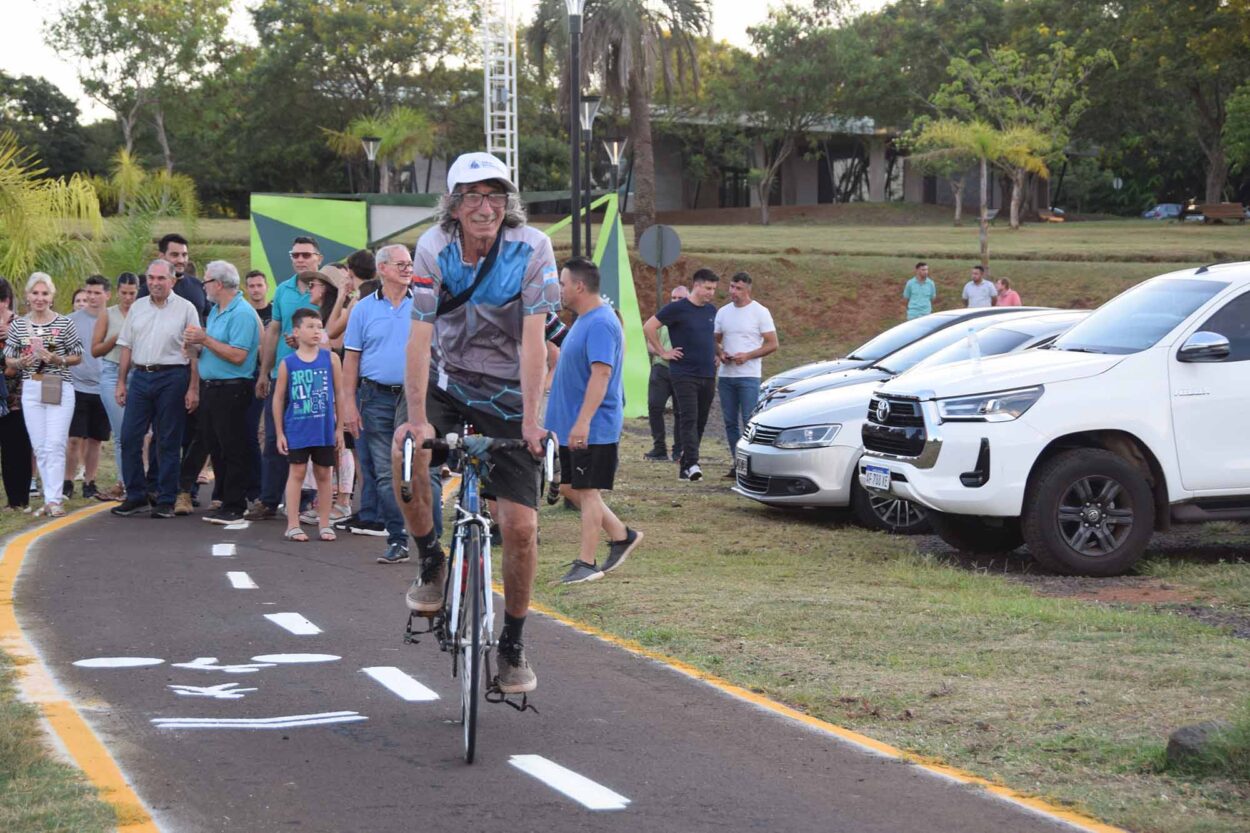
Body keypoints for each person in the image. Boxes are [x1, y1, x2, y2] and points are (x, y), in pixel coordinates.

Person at [393, 150, 560, 695]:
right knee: (408, 455)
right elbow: (419, 335)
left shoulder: (532, 249)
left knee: (521, 528)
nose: (484, 207)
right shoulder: (433, 247)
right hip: (445, 381)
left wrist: (533, 422)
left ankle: (512, 641)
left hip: (509, 394)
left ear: (507, 203)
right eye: (472, 196)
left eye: (495, 196)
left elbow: (536, 341)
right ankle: (431, 561)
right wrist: (418, 418)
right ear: (454, 205)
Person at [546, 258, 643, 585]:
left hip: (593, 427)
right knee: (568, 487)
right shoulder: (583, 320)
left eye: (562, 283)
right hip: (572, 425)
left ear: (579, 286)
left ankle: (586, 563)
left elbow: (601, 375)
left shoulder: (601, 323)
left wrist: (583, 422)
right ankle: (621, 535)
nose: (559, 290)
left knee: (587, 491)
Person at [110, 260, 201, 518]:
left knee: (167, 440)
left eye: (161, 278)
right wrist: (121, 382)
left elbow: (194, 350)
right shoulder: (138, 307)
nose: (155, 283)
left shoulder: (186, 309)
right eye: (151, 278)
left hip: (173, 376)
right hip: (140, 376)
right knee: (129, 437)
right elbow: (126, 346)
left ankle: (166, 498)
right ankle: (137, 494)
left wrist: (193, 387)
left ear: (172, 280)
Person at [340, 248, 413, 563]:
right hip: (375, 397)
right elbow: (351, 359)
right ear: (382, 268)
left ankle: (430, 540)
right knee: (384, 473)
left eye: (411, 263)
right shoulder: (363, 310)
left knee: (422, 471)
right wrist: (348, 404)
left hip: (417, 397)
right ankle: (398, 539)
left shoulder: (426, 303)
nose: (408, 269)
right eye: (401, 264)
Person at [183, 261, 262, 525]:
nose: (203, 286)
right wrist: (197, 346)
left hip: (233, 389)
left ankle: (236, 504)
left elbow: (239, 355)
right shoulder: (217, 311)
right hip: (212, 388)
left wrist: (205, 340)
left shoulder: (241, 313)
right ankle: (226, 500)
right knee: (216, 446)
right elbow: (216, 349)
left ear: (218, 284)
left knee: (233, 447)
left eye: (206, 281)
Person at [250, 237, 322, 520]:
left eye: (306, 255)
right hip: (283, 373)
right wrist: (264, 372)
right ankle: (269, 500)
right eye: (296, 255)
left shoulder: (326, 290)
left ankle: (308, 500)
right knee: (273, 437)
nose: (300, 260)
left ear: (319, 257)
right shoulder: (283, 290)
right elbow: (274, 331)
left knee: (311, 439)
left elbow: (333, 333)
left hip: (315, 376)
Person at [3, 273, 83, 517]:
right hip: (31, 387)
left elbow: (78, 355)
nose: (40, 298)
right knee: (39, 446)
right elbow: (8, 358)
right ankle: (49, 498)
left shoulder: (64, 323)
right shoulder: (18, 325)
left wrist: (58, 359)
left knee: (55, 443)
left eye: (45, 293)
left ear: (52, 296)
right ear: (27, 296)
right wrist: (21, 361)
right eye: (35, 293)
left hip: (58, 385)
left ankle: (54, 499)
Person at [275, 308, 344, 542]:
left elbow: (340, 394)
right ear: (296, 331)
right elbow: (278, 398)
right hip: (297, 428)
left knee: (325, 473)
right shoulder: (288, 363)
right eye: (310, 326)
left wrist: (339, 428)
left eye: (319, 326)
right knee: (297, 472)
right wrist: (279, 433)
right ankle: (292, 524)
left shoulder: (331, 358)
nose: (316, 331)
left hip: (323, 428)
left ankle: (325, 523)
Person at [643, 268, 719, 482]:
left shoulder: (712, 311)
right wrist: (662, 351)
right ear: (696, 285)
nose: (711, 292)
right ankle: (693, 463)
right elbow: (649, 326)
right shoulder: (677, 309)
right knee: (688, 417)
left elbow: (711, 338)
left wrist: (719, 354)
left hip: (708, 374)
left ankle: (686, 466)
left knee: (701, 421)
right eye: (707, 288)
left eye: (713, 289)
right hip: (684, 374)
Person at [714, 272, 777, 475]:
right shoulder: (723, 312)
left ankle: (752, 464)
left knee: (749, 421)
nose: (733, 292)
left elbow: (772, 343)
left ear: (748, 290)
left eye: (738, 288)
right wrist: (720, 352)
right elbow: (714, 339)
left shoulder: (760, 312)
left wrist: (748, 355)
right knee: (730, 422)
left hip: (749, 375)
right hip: (726, 375)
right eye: (731, 287)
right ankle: (736, 463)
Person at [91, 272, 139, 502]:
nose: (128, 298)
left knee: (141, 434)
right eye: (124, 293)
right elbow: (95, 350)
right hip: (111, 371)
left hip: (138, 373)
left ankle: (140, 482)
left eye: (132, 293)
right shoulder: (107, 315)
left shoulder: (143, 312)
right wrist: (116, 339)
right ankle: (125, 482)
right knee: (122, 434)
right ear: (117, 292)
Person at [65, 274, 111, 500]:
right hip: (76, 387)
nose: (92, 297)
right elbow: (57, 349)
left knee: (95, 439)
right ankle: (67, 482)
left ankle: (90, 482)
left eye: (97, 293)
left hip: (104, 388)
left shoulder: (115, 319)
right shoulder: (70, 320)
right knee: (74, 438)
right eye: (89, 292)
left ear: (107, 295)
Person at [0, 277, 34, 511]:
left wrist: (9, 337)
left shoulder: (21, 325)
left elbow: (30, 358)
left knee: (17, 449)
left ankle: (18, 500)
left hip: (16, 399)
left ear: (7, 301)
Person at [644, 285, 687, 462]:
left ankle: (679, 450)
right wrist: (662, 352)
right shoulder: (663, 318)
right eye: (673, 298)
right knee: (655, 407)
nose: (676, 301)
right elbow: (648, 343)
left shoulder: (691, 318)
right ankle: (659, 447)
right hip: (661, 368)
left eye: (680, 298)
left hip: (682, 370)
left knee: (680, 412)